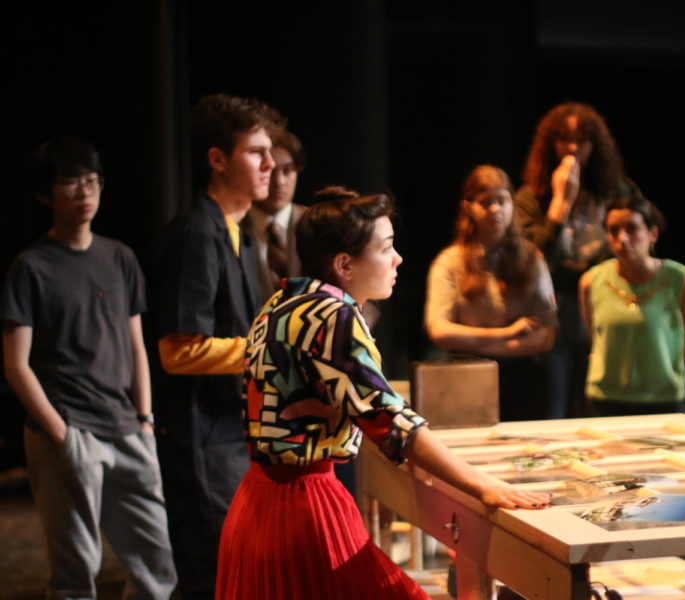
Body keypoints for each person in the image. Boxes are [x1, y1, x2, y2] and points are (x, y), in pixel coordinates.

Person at [215, 190, 550, 600]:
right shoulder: (333, 317)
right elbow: (391, 420)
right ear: (345, 264)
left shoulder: (281, 303)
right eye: (387, 248)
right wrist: (481, 484)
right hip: (306, 511)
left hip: (257, 504)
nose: (398, 259)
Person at [1, 137, 177, 599]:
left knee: (158, 561)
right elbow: (16, 364)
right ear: (46, 195)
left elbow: (137, 345)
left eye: (92, 181)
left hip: (126, 429)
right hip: (68, 433)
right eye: (71, 182)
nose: (85, 191)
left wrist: (144, 419)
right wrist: (61, 435)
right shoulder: (31, 267)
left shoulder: (119, 257)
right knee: (77, 568)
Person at [152, 93, 283, 599]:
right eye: (256, 152)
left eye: (270, 151)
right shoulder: (197, 232)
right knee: (212, 573)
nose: (270, 164)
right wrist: (270, 350)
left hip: (232, 431)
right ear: (217, 158)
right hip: (201, 440)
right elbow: (177, 351)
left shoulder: (241, 234)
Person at [516, 102, 632, 418]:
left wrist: (570, 273)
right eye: (564, 139)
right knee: (551, 407)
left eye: (580, 140)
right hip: (550, 313)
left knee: (598, 405)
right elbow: (534, 262)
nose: (571, 147)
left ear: (595, 145)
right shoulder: (530, 198)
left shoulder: (617, 193)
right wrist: (561, 201)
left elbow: (630, 252)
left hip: (603, 309)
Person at [425, 165, 557, 420]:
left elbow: (547, 334)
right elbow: (439, 330)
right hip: (465, 375)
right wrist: (505, 333)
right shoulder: (450, 261)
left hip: (522, 378)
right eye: (486, 202)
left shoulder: (531, 257)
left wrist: (487, 349)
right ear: (468, 208)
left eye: (502, 201)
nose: (495, 209)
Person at [578, 194, 685, 415]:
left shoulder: (676, 277)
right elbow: (595, 338)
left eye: (632, 229)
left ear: (652, 234)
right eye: (613, 230)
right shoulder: (591, 281)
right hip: (605, 400)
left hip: (662, 399)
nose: (622, 238)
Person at [241, 129, 306, 300]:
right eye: (271, 171)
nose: (279, 182)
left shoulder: (318, 223)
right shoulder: (232, 226)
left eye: (287, 171)